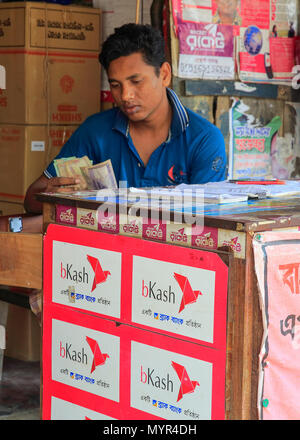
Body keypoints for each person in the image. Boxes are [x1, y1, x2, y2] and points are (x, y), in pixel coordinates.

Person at [24, 23, 226, 216]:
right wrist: (50, 196)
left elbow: (208, 222)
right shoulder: (95, 131)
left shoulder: (204, 139)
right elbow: (30, 201)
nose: (126, 95)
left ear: (164, 75)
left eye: (136, 81)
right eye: (115, 85)